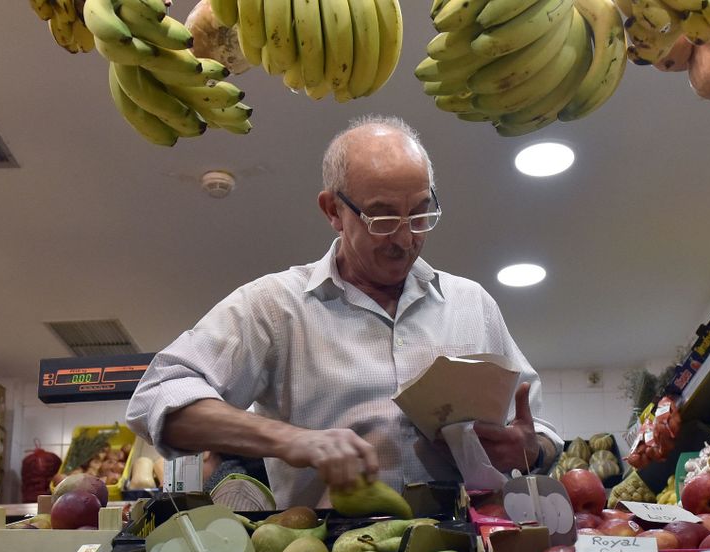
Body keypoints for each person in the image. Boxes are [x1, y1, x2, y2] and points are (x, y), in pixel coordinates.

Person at [125, 115, 559, 508]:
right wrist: (288, 439)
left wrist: (532, 449)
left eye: (420, 214)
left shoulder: (472, 304)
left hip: (467, 549)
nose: (405, 239)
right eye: (382, 219)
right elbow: (156, 396)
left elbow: (540, 430)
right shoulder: (275, 306)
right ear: (333, 210)